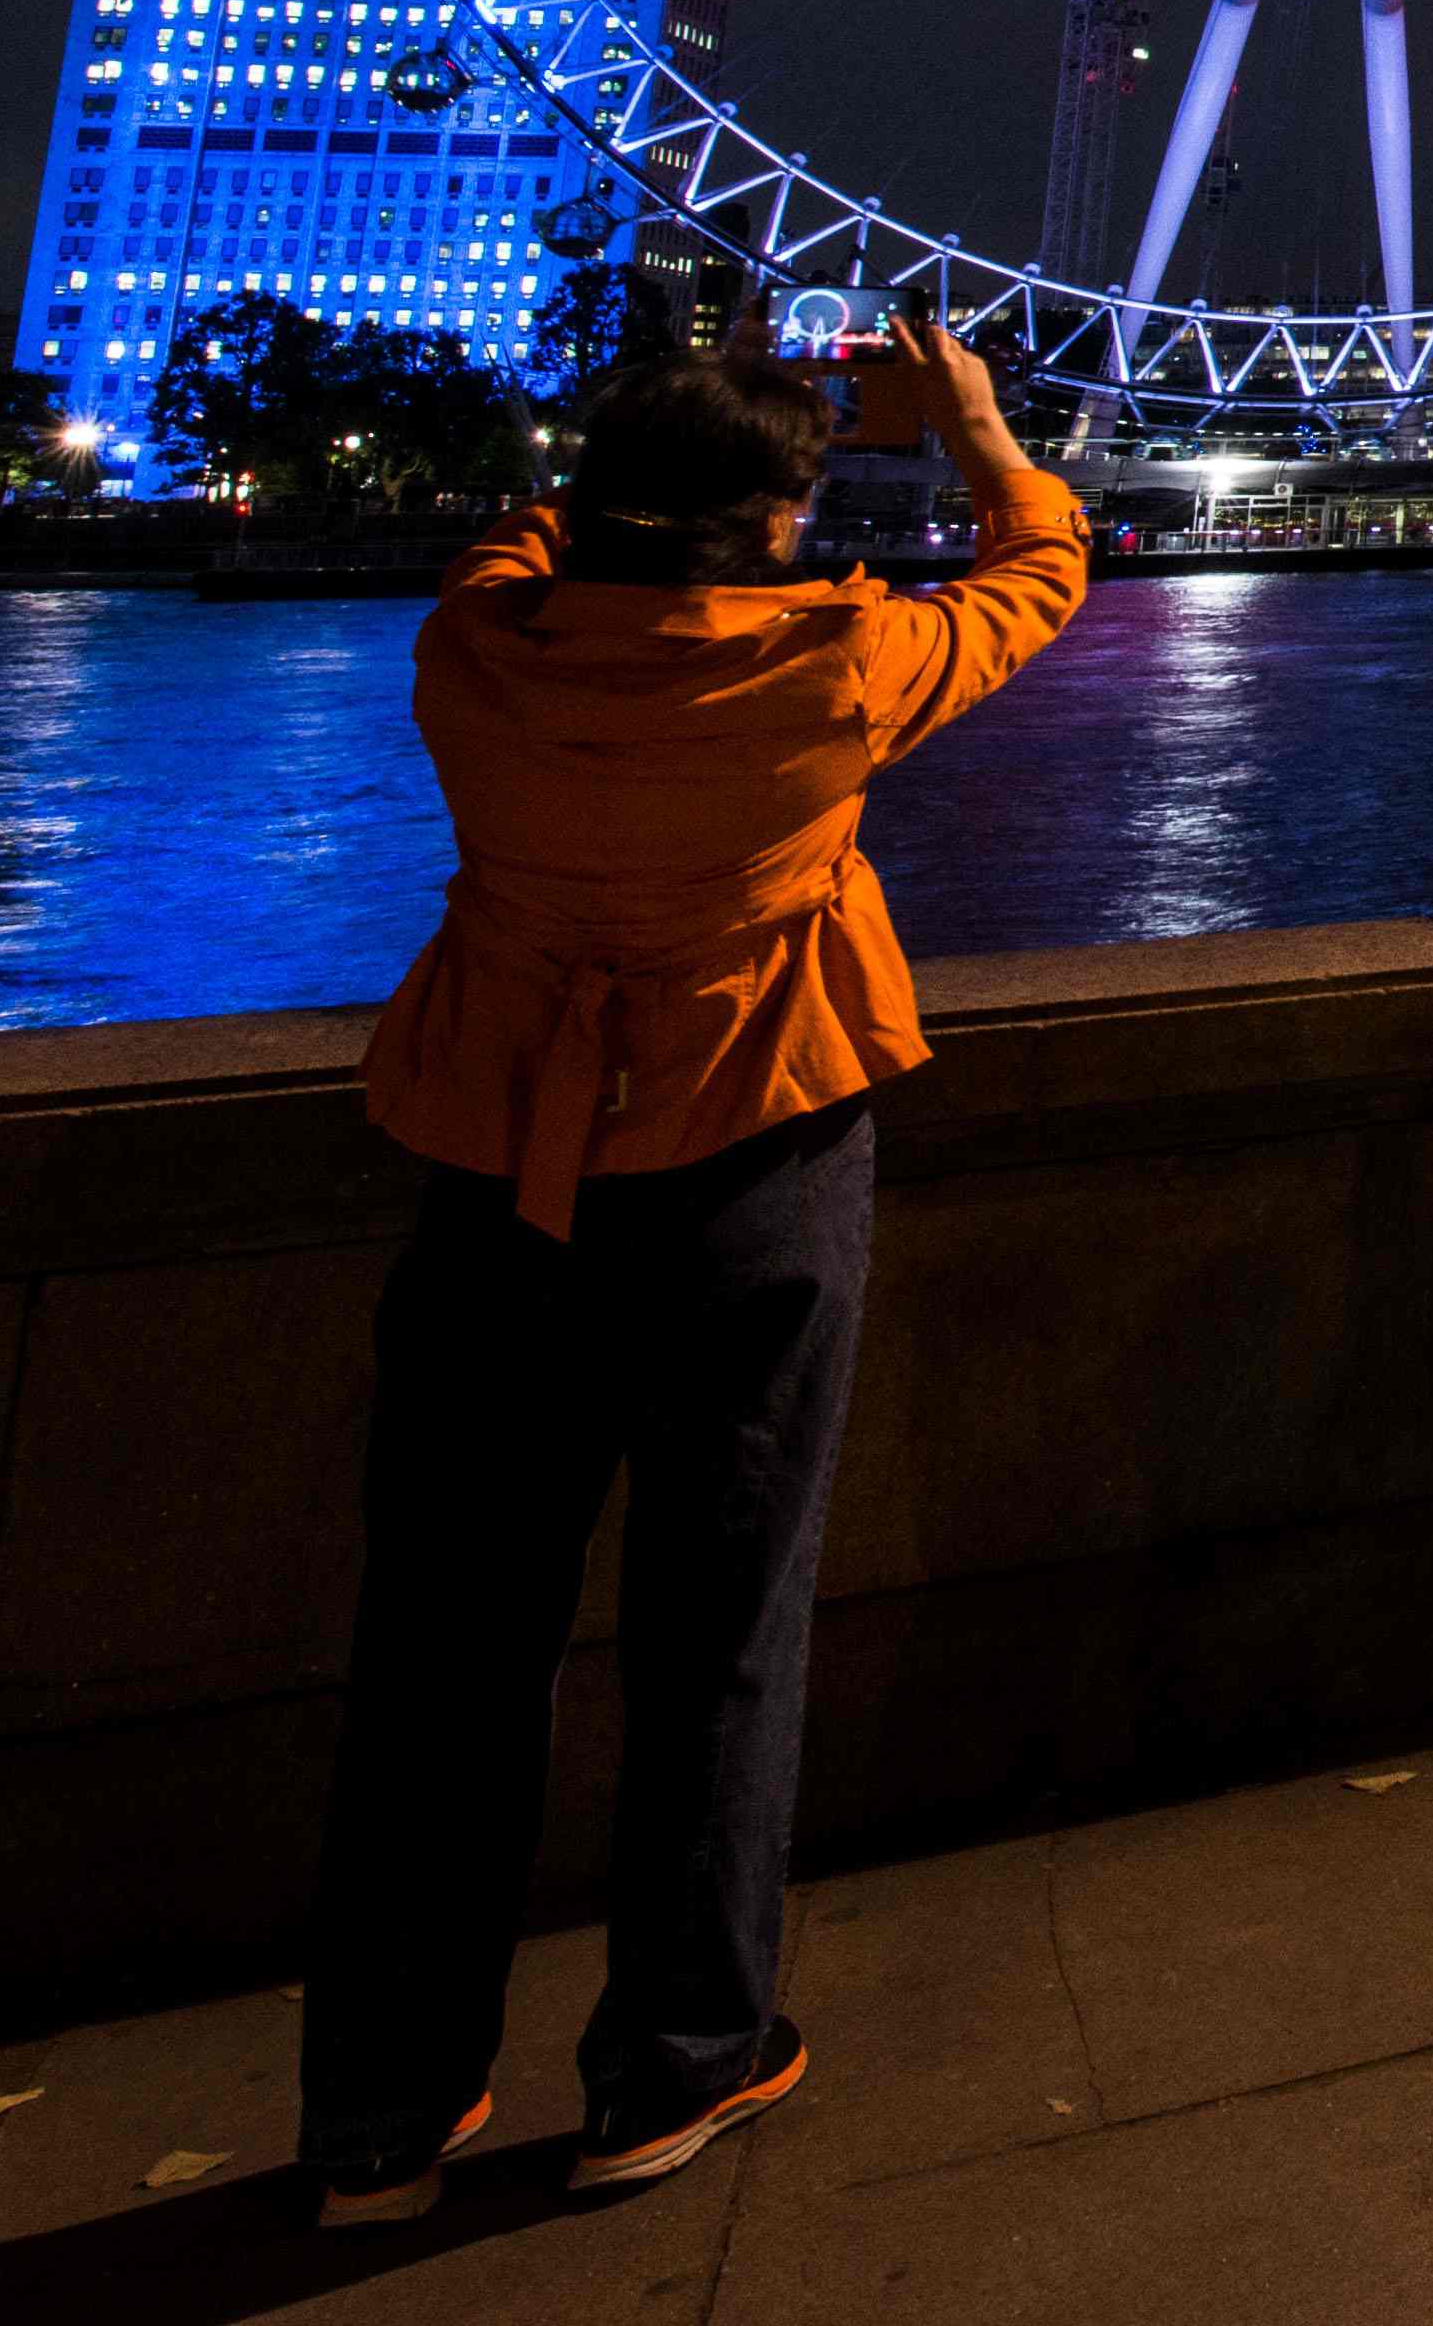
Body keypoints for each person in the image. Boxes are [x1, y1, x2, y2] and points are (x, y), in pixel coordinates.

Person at [296, 300, 1087, 2225]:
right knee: (723, 1630)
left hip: (501, 1178)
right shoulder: (832, 662)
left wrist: (620, 475)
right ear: (779, 520)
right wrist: (971, 424)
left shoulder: (476, 658)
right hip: (754, 1160)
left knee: (443, 1652)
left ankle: (385, 2108)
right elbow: (1047, 567)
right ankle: (674, 2057)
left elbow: (508, 544)